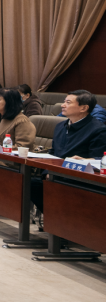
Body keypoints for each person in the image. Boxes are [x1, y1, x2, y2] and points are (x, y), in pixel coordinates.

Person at [31, 90, 106, 222]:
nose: (62, 105)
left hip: (79, 178)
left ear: (83, 108)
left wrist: (84, 160)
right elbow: (53, 153)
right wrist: (48, 171)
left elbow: (100, 160)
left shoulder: (98, 129)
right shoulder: (61, 126)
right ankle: (55, 219)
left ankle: (61, 222)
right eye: (64, 101)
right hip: (56, 174)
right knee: (29, 183)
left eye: (68, 102)